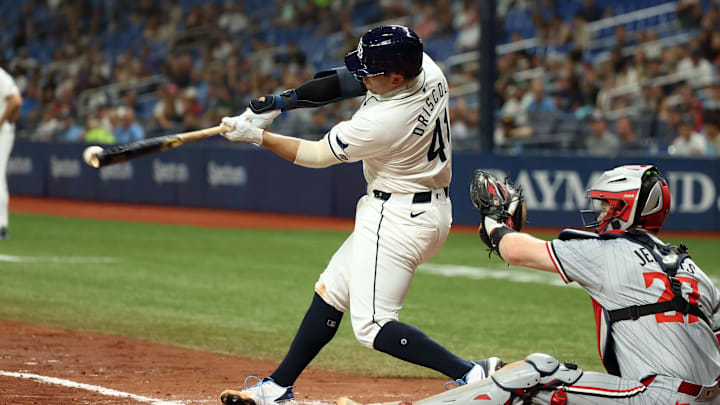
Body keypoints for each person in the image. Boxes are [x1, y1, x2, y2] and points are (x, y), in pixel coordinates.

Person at [216, 25, 502, 405]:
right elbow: (344, 82)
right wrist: (281, 102)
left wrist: (257, 137)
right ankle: (277, 387)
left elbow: (317, 156)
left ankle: (472, 372)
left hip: (398, 215)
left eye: (371, 71)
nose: (362, 75)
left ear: (396, 76)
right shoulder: (428, 69)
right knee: (332, 290)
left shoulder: (385, 121)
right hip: (421, 209)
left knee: (372, 326)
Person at [461, 165, 720, 404]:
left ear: (626, 210)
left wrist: (494, 219)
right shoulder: (693, 270)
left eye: (608, 205)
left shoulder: (606, 252)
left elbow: (514, 250)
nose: (602, 212)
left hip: (656, 398)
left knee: (529, 378)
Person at [0, 66, 22, 240]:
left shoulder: (1, 75)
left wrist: (1, 122)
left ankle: (1, 226)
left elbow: (16, 100)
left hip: (2, 133)